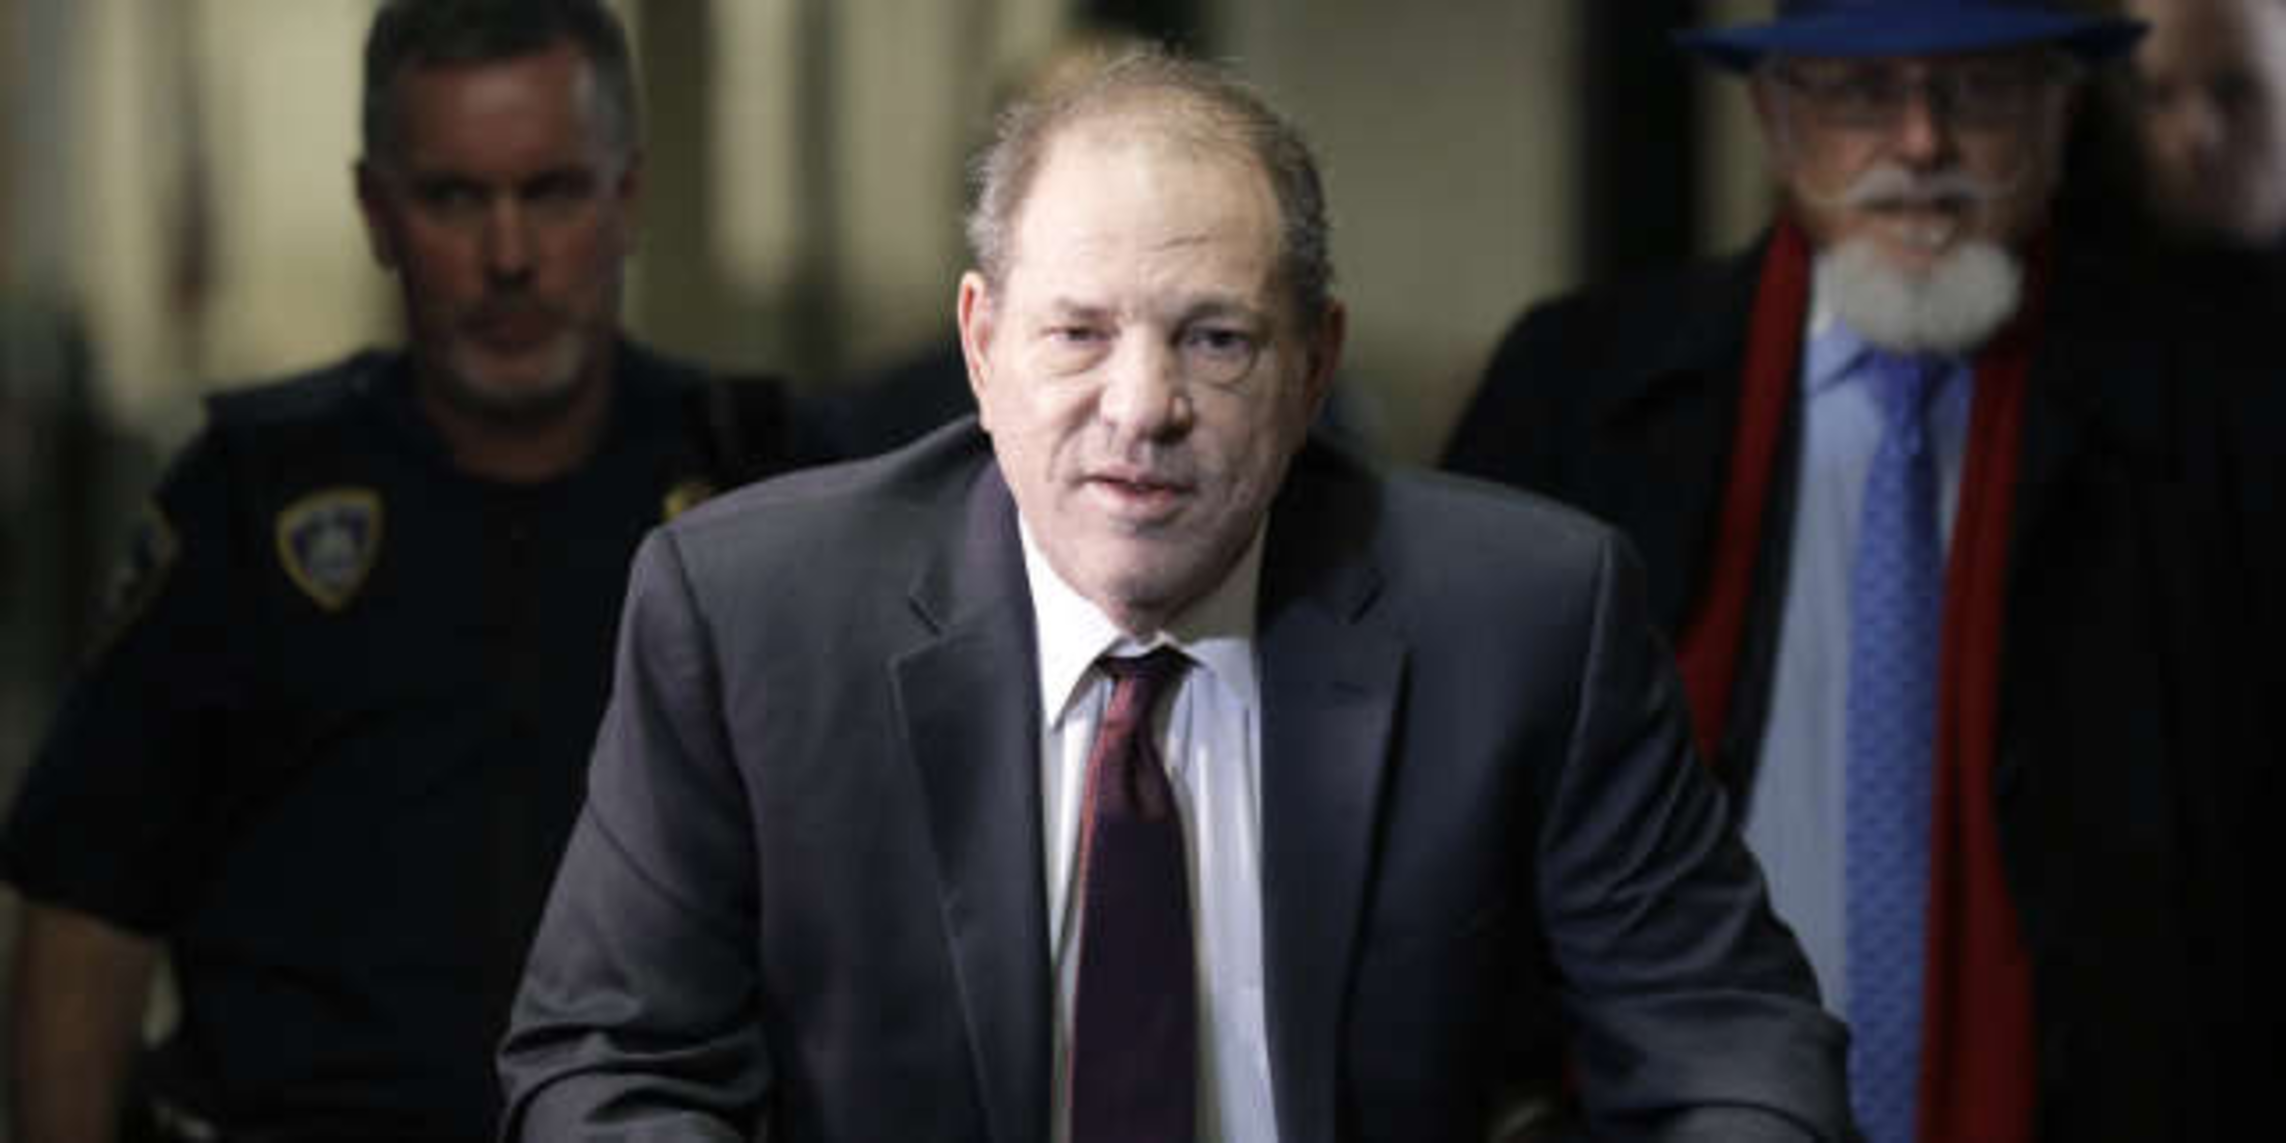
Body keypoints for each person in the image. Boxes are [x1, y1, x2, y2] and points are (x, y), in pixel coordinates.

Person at [498, 47, 1851, 1143]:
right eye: (1077, 333)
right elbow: (609, 1062)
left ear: (1315, 366)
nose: (1142, 408)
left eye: (1214, 338)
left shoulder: (1525, 620)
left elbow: (1730, 1041)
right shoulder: (750, 617)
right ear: (980, 345)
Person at [1446, 1, 2270, 1141]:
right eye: (1862, 91)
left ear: (2058, 110)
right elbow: (1456, 805)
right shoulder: (1578, 387)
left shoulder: (2224, 406)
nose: (1921, 143)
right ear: (1777, 118)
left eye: (1977, 90)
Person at [0, 2, 804, 1141]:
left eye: (553, 192)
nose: (509, 256)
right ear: (378, 212)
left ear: (627, 198)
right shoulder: (248, 507)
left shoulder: (761, 484)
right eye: (453, 199)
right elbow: (87, 904)